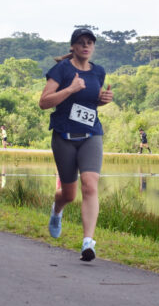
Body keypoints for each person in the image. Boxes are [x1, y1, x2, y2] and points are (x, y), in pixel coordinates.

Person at [39, 28, 113, 261]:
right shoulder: (61, 70)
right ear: (72, 46)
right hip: (64, 137)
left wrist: (103, 100)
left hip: (91, 134)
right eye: (81, 42)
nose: (86, 46)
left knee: (90, 185)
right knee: (69, 195)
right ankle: (57, 210)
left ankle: (87, 242)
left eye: (90, 42)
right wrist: (70, 89)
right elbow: (44, 102)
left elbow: (90, 103)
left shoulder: (98, 72)